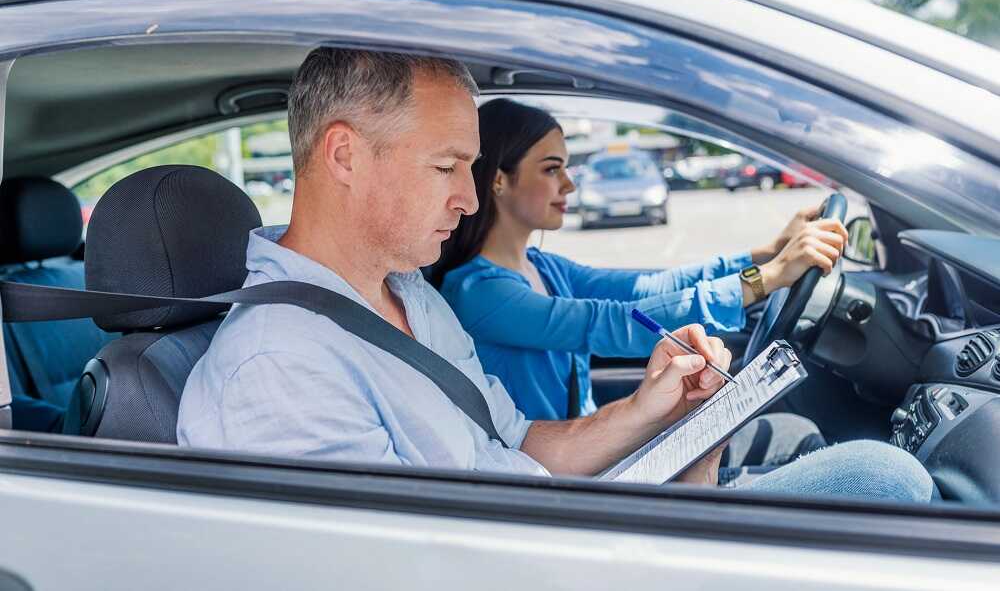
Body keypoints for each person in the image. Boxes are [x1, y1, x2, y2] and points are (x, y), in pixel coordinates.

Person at [177, 48, 932, 502]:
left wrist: (654, 410)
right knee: (884, 483)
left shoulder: (409, 297)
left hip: (565, 532)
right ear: (343, 156)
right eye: (446, 168)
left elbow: (522, 445)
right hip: (564, 553)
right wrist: (675, 507)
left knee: (878, 478)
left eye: (471, 169)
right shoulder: (278, 369)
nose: (469, 199)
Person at [432, 99, 848, 424]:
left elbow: (651, 287)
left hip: (587, 446)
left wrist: (768, 255)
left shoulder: (542, 266)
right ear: (500, 180)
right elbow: (609, 324)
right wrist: (767, 280)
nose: (570, 184)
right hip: (551, 477)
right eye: (551, 169)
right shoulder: (481, 292)